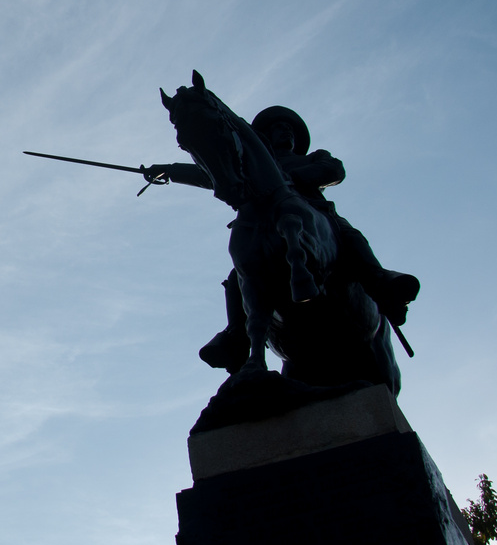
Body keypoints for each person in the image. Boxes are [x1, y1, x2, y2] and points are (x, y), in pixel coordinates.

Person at [145, 106, 419, 372]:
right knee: (236, 277)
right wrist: (168, 170)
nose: (285, 131)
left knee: (351, 237)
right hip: (264, 227)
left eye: (288, 128)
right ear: (266, 136)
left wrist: (291, 178)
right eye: (278, 128)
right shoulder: (249, 168)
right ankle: (237, 334)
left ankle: (381, 282)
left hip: (317, 216)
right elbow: (209, 174)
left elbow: (334, 170)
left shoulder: (311, 157)